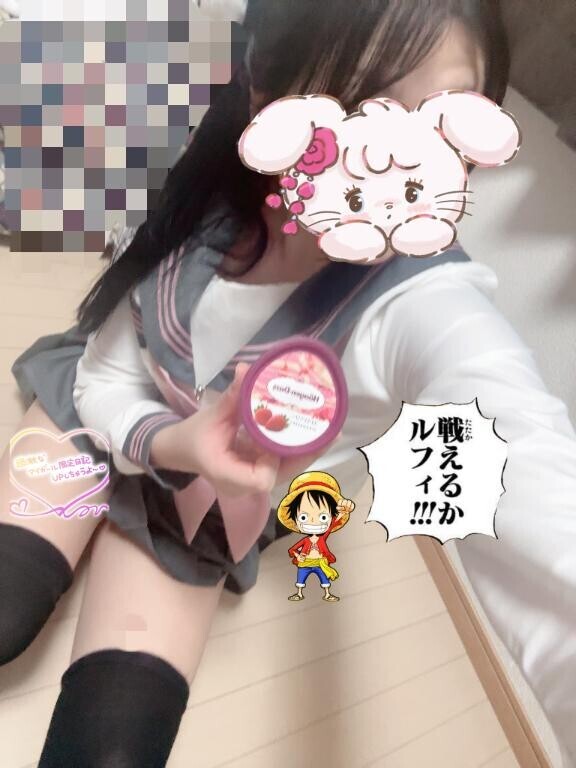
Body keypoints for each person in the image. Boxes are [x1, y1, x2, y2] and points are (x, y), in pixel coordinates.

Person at [1, 1, 575, 766]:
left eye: (445, 123)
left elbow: (521, 464)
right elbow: (106, 373)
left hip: (203, 506)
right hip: (102, 411)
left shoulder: (425, 305)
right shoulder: (204, 194)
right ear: (269, 94)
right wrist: (169, 440)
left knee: (110, 745)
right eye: (364, 105)